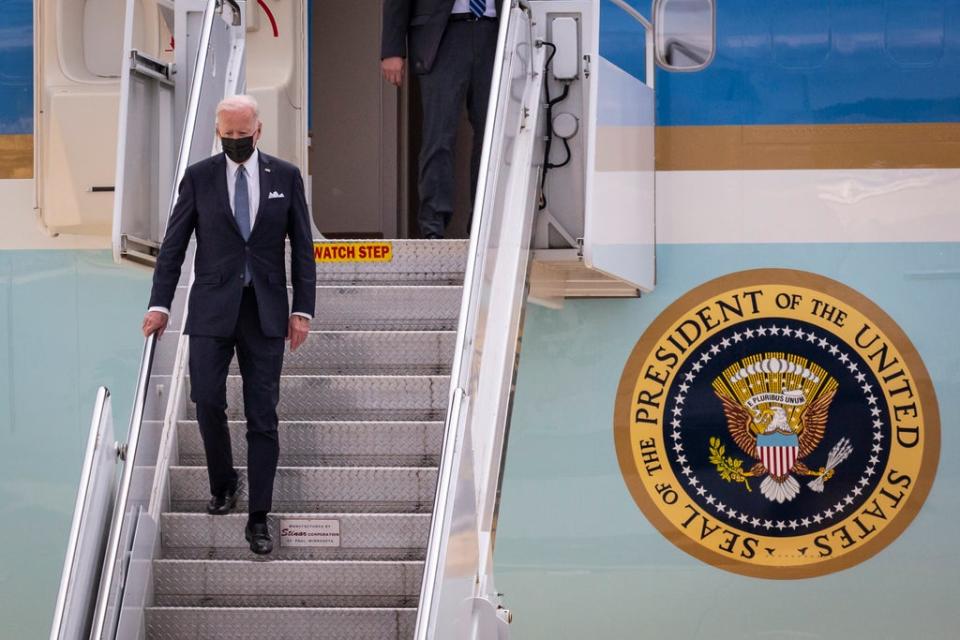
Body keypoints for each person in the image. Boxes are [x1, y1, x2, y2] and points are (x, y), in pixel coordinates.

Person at [141, 95, 316, 555]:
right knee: (207, 401)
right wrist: (160, 304)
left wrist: (303, 310)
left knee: (262, 415)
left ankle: (259, 517)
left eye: (243, 134)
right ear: (218, 132)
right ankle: (224, 482)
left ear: (259, 131)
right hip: (212, 310)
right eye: (228, 135)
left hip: (265, 311)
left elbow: (302, 248)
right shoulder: (199, 178)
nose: (236, 142)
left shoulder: (286, 176)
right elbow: (174, 246)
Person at [381, 0, 498, 239]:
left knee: (492, 136)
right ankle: (433, 225)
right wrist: (392, 49)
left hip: (496, 32)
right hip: (442, 35)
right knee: (439, 134)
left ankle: (485, 222)